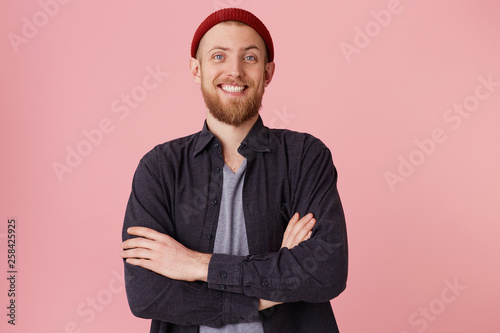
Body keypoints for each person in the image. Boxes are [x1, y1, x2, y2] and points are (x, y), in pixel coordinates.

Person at [121, 8, 348, 333]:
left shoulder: (305, 157)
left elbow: (326, 272)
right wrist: (274, 285)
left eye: (250, 58)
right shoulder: (159, 168)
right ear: (195, 69)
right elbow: (146, 295)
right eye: (218, 56)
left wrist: (195, 264)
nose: (235, 71)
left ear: (268, 72)